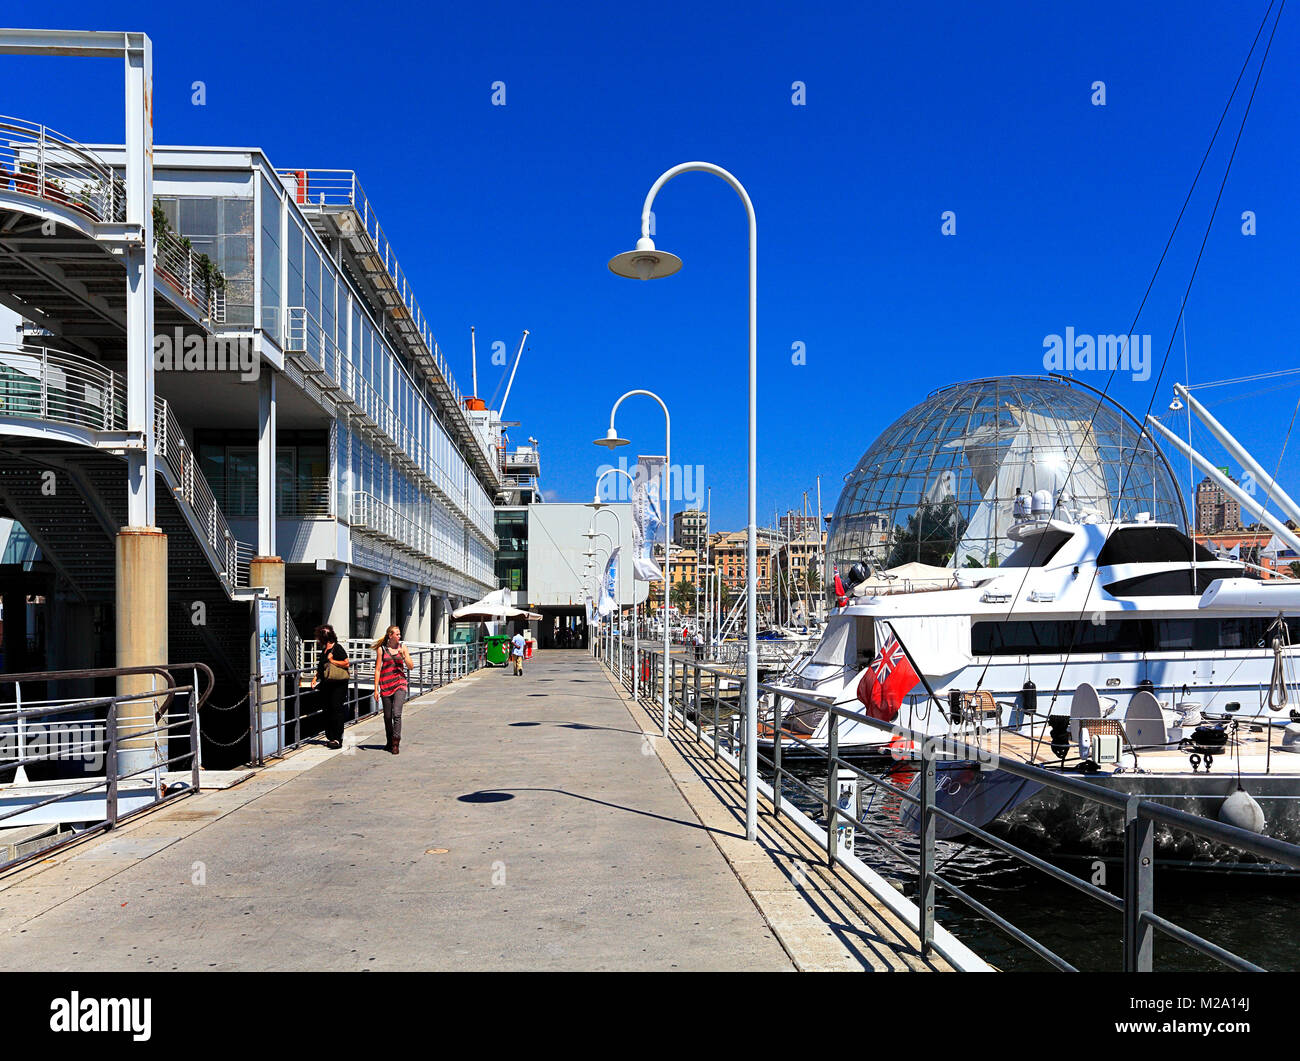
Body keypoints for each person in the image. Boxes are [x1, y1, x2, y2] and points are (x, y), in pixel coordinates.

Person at [372, 625, 414, 755]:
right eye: (397, 634)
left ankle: (395, 743)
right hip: (385, 685)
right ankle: (389, 741)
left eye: (399, 634)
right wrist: (375, 689)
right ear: (390, 636)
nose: (399, 636)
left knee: (397, 714)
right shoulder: (382, 650)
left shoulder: (403, 647)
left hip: (400, 684)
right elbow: (378, 669)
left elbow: (411, 666)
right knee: (387, 716)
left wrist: (403, 657)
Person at [311, 624, 350, 748]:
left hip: (339, 684)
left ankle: (337, 739)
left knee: (336, 709)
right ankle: (330, 736)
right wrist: (315, 678)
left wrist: (332, 661)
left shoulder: (337, 648)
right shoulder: (324, 649)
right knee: (326, 710)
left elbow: (346, 663)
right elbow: (321, 666)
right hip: (326, 684)